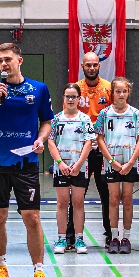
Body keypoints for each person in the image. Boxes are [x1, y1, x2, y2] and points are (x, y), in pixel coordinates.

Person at [0, 42, 54, 277]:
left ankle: (39, 272)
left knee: (32, 218)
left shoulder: (38, 89)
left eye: (7, 59)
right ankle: (1, 267)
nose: (3, 64)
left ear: (19, 60)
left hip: (26, 164)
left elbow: (47, 121)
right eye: (0, 60)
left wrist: (40, 139)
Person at [93, 77, 139, 256]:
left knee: (127, 199)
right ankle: (114, 237)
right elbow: (100, 139)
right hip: (111, 163)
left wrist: (130, 162)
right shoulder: (104, 114)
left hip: (130, 163)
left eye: (124, 91)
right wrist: (111, 161)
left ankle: (126, 239)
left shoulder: (135, 113)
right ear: (112, 93)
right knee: (113, 199)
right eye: (118, 91)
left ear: (128, 93)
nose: (121, 94)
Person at [73, 51, 114, 248]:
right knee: (76, 195)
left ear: (99, 66)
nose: (91, 68)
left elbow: (114, 117)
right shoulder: (75, 89)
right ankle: (71, 235)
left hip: (101, 149)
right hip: (80, 151)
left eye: (94, 64)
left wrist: (101, 140)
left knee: (106, 193)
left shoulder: (109, 88)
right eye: (87, 65)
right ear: (82, 66)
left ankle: (110, 233)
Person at [48, 83, 95, 254]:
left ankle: (79, 239)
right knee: (62, 203)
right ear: (63, 98)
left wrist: (79, 164)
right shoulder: (56, 119)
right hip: (61, 167)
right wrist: (60, 163)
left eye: (73, 97)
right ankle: (61, 238)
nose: (70, 99)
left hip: (79, 168)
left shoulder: (85, 119)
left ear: (79, 99)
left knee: (78, 203)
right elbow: (51, 141)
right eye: (67, 96)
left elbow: (89, 142)